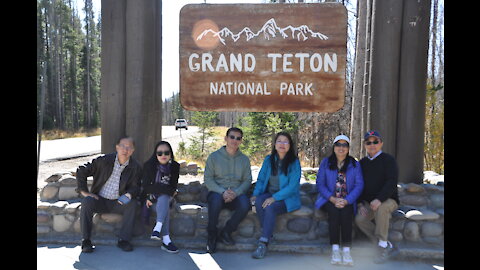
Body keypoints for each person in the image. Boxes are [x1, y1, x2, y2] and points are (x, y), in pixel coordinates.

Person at [76, 136, 142, 253]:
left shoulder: (135, 167)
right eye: (122, 146)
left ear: (133, 150)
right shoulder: (103, 160)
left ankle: (124, 240)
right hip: (99, 200)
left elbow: (136, 186)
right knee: (87, 201)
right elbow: (81, 170)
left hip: (118, 202)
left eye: (129, 147)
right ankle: (86, 240)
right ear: (117, 147)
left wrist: (129, 194)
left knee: (132, 204)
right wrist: (84, 191)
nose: (125, 150)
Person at [250, 131, 302, 259]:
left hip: (287, 198)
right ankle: (268, 234)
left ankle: (263, 242)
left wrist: (274, 198)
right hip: (270, 194)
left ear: (290, 145)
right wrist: (255, 194)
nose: (282, 144)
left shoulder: (294, 162)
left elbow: (292, 187)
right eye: (279, 141)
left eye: (285, 141)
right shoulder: (269, 160)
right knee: (258, 202)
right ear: (274, 144)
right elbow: (261, 179)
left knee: (269, 207)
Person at [315, 135, 364, 266]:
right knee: (334, 212)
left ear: (348, 148)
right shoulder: (326, 162)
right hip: (328, 200)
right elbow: (320, 184)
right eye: (338, 145)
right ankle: (335, 249)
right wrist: (332, 199)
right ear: (334, 147)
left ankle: (346, 250)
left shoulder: (354, 164)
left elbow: (359, 185)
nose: (341, 148)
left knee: (346, 212)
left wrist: (347, 200)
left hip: (347, 200)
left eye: (344, 145)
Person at [204, 127, 252, 253]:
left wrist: (236, 192)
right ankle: (212, 236)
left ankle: (226, 232)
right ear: (226, 138)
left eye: (238, 138)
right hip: (217, 192)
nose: (234, 140)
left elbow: (247, 180)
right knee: (215, 201)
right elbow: (208, 179)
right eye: (232, 137)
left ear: (241, 141)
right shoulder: (213, 157)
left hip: (236, 193)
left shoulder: (244, 159)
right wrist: (222, 192)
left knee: (245, 204)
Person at [354, 130, 400, 264]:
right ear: (365, 145)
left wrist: (379, 199)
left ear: (381, 144)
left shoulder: (389, 160)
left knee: (382, 208)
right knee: (360, 219)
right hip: (369, 203)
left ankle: (382, 247)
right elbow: (359, 185)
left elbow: (391, 182)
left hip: (388, 200)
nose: (372, 144)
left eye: (375, 141)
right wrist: (360, 204)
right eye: (369, 142)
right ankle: (384, 244)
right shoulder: (362, 163)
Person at [141, 141, 179, 253]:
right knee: (164, 201)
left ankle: (158, 227)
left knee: (164, 197)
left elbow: (172, 188)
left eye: (166, 153)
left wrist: (157, 189)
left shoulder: (175, 167)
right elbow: (146, 187)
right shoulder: (149, 166)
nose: (163, 155)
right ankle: (166, 240)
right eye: (160, 153)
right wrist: (152, 196)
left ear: (170, 154)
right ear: (155, 154)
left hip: (164, 199)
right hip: (151, 200)